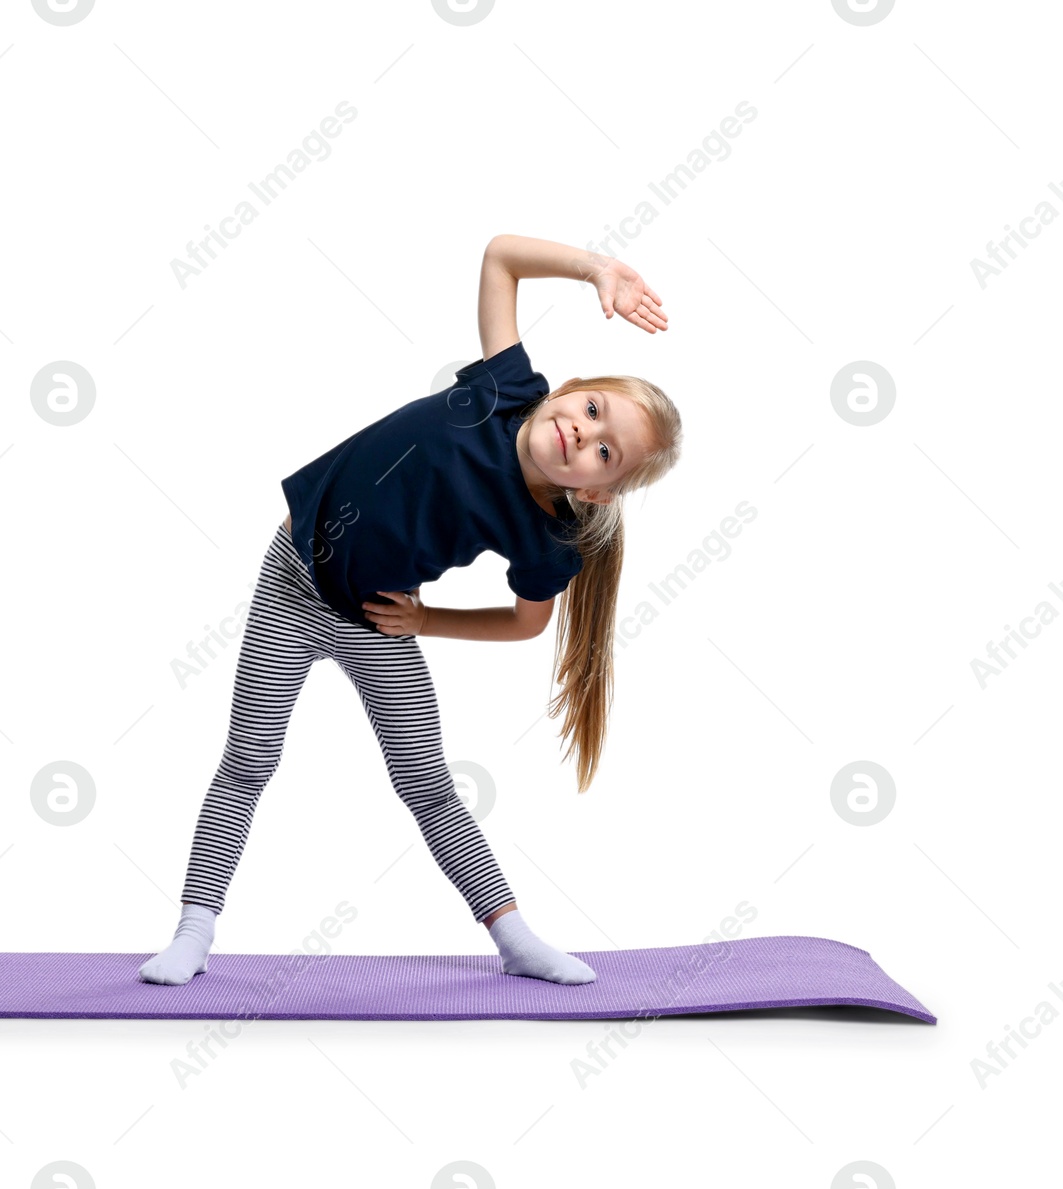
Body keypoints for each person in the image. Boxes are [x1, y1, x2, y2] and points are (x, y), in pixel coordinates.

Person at [139, 234, 682, 987]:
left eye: (603, 453)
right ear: (573, 387)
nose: (584, 433)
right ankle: (193, 928)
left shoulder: (546, 534)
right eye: (593, 410)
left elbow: (529, 622)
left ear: (595, 490)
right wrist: (596, 268)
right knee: (249, 758)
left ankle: (515, 935)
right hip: (290, 585)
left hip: (374, 620)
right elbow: (500, 257)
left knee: (426, 781)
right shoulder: (506, 388)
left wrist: (426, 622)